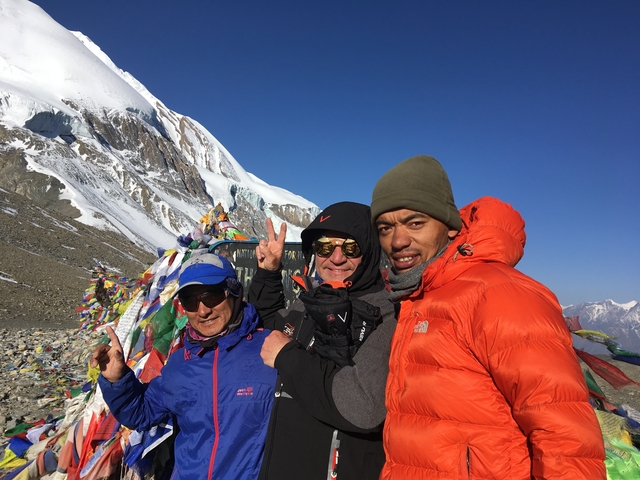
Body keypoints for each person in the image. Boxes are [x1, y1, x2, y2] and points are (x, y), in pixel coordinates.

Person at [370, 155, 606, 479]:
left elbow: (564, 433)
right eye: (386, 228)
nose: (397, 241)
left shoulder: (498, 294)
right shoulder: (418, 296)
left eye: (415, 223)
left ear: (450, 226)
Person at [91, 252, 277, 479]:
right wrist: (117, 379)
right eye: (190, 301)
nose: (203, 310)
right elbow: (141, 412)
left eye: (212, 296)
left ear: (235, 291)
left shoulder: (270, 351)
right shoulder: (180, 363)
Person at [248, 202, 396, 480]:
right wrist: (269, 272)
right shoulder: (311, 302)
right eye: (325, 247)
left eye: (351, 247)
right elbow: (267, 325)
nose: (336, 258)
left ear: (370, 249)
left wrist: (288, 357)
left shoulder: (386, 313)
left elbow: (364, 408)